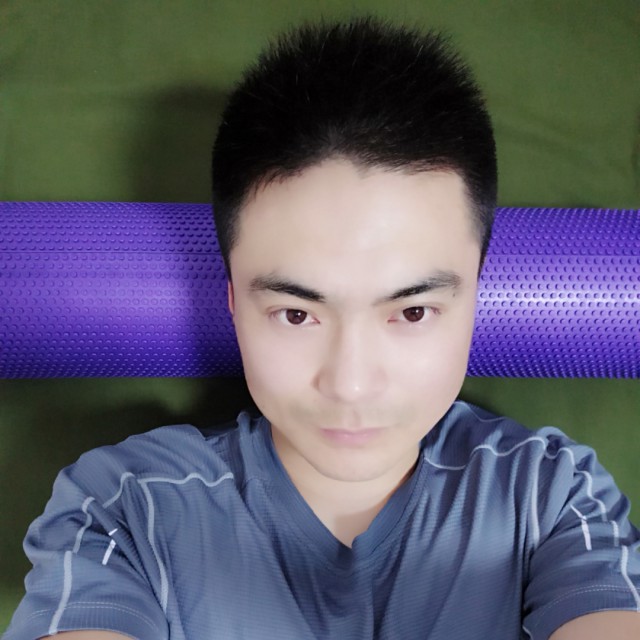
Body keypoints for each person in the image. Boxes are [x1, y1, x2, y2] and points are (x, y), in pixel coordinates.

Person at [5, 17, 640, 640]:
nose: (351, 384)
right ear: (233, 301)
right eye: (296, 314)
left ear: (476, 296)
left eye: (412, 312)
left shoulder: (549, 497)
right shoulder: (126, 509)